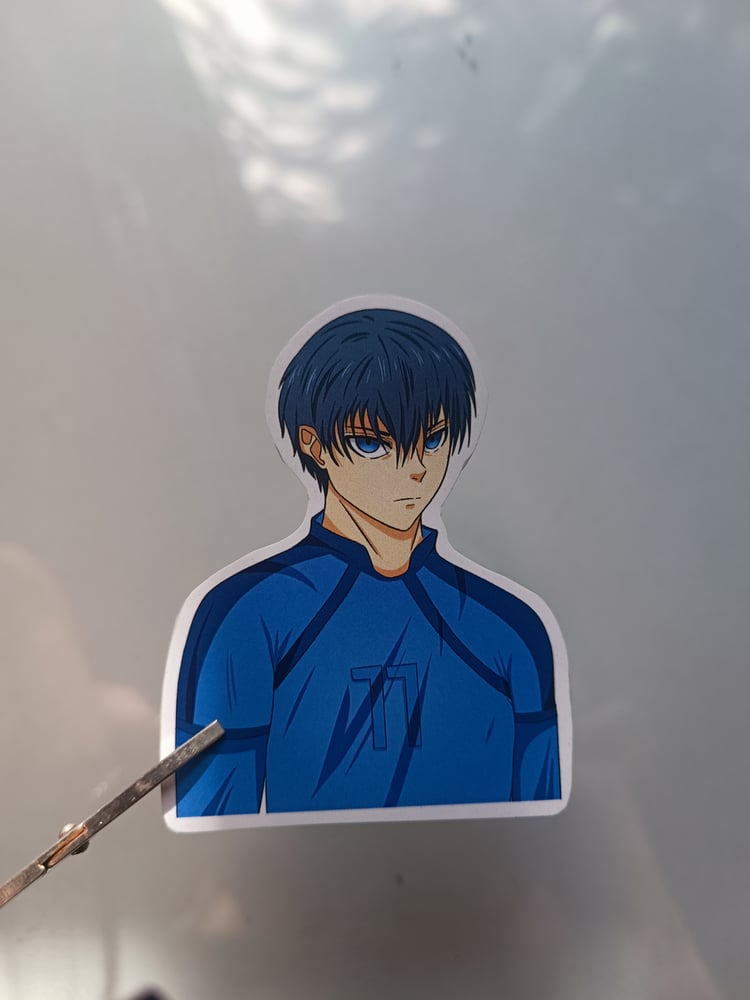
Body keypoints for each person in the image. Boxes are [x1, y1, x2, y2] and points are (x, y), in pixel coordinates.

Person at [165, 303, 565, 821]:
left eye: (433, 438)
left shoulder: (512, 626)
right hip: (308, 877)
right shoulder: (245, 614)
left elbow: (544, 834)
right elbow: (213, 836)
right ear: (314, 445)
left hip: (489, 875)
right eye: (373, 444)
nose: (413, 468)